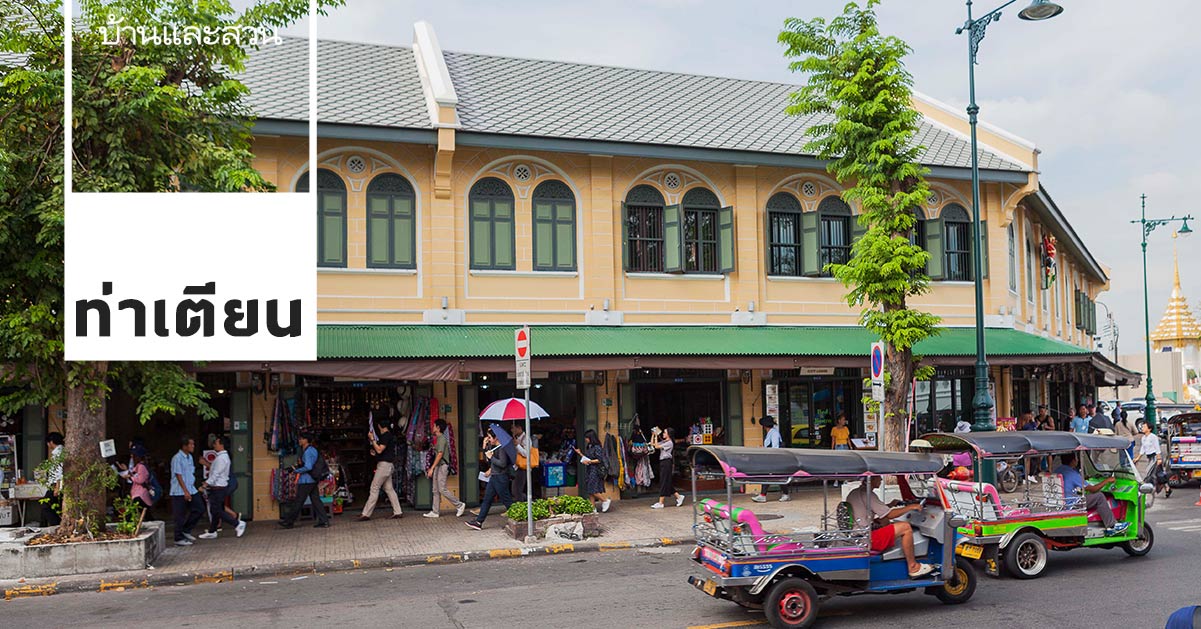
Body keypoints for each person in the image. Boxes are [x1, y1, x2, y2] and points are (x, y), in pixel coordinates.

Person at [846, 476, 935, 578]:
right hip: (867, 539)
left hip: (857, 534)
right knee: (905, 527)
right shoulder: (868, 495)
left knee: (884, 521)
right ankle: (913, 567)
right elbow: (890, 515)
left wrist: (891, 505)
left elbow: (880, 511)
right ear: (872, 479)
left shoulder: (855, 492)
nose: (881, 480)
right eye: (879, 477)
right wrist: (910, 507)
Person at [1054, 452, 1129, 535]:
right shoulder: (1072, 474)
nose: (1077, 460)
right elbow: (1093, 489)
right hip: (1071, 504)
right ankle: (1112, 526)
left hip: (1061, 502)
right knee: (1099, 497)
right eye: (1076, 459)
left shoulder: (1058, 470)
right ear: (1073, 461)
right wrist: (1107, 480)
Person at [465, 426, 514, 530]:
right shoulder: (494, 447)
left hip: (500, 477)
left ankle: (519, 519)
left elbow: (502, 463)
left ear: (496, 438)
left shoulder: (502, 448)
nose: (489, 439)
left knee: (507, 501)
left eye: (490, 437)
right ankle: (478, 522)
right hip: (494, 477)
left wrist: (491, 457)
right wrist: (485, 447)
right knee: (487, 500)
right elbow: (488, 460)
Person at [198, 436, 246, 539]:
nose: (214, 445)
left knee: (217, 510)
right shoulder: (221, 457)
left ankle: (237, 524)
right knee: (215, 510)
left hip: (219, 488)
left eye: (216, 443)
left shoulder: (222, 458)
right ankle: (212, 531)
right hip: (217, 488)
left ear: (222, 445)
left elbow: (216, 474)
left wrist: (205, 484)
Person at [279, 433, 331, 529]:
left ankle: (288, 521)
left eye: (301, 439)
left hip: (307, 480)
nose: (299, 440)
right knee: (316, 500)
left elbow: (308, 467)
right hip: (312, 479)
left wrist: (295, 471)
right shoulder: (311, 450)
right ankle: (324, 521)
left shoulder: (308, 451)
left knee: (298, 501)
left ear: (306, 440)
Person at [358, 419, 402, 521]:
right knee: (389, 489)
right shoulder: (389, 435)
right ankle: (398, 511)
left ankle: (366, 513)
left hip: (384, 466)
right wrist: (376, 453)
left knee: (374, 487)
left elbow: (379, 449)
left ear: (379, 426)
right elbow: (382, 452)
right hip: (388, 465)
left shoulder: (385, 436)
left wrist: (372, 439)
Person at [425, 419, 466, 518]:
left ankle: (459, 505)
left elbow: (440, 454)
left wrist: (432, 468)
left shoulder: (442, 439)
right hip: (438, 466)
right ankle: (435, 511)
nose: (433, 427)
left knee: (442, 489)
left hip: (442, 466)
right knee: (435, 489)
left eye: (434, 426)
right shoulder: (439, 438)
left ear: (438, 428)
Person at [170, 436, 205, 546]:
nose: (193, 446)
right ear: (184, 446)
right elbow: (178, 475)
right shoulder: (177, 458)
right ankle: (178, 538)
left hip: (191, 488)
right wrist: (185, 491)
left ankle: (186, 530)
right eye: (191, 444)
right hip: (179, 491)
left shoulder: (190, 457)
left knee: (199, 508)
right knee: (180, 515)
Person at [753, 416, 790, 502]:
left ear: (764, 426)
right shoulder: (771, 433)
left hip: (775, 458)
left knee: (773, 475)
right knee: (777, 476)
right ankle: (784, 494)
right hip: (773, 458)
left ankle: (764, 495)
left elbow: (775, 447)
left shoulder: (774, 433)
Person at [575, 429, 611, 513]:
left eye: (587, 438)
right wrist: (580, 453)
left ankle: (605, 500)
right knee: (590, 489)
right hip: (590, 469)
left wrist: (590, 462)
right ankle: (592, 508)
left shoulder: (597, 447)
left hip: (595, 470)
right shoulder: (590, 446)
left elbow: (599, 459)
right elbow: (588, 458)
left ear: (591, 438)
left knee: (592, 489)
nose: (586, 439)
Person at [650, 426, 686, 509]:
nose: (663, 434)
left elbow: (657, 447)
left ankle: (661, 502)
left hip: (667, 462)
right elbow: (653, 444)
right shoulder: (665, 441)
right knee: (666, 481)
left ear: (669, 434)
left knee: (664, 481)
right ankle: (679, 497)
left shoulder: (669, 443)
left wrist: (656, 436)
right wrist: (653, 435)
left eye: (664, 432)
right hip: (663, 462)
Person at [1133, 421, 1170, 499]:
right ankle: (1167, 488)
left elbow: (1157, 448)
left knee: (1148, 472)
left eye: (1144, 427)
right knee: (1158, 474)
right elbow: (1143, 449)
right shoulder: (1143, 438)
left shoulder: (1153, 437)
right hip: (1149, 457)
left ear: (1149, 429)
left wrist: (1159, 458)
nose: (1142, 428)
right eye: (1142, 427)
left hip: (1155, 457)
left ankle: (1146, 490)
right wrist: (1138, 458)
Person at [43, 432, 65, 527]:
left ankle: (56, 524)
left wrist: (57, 486)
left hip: (56, 484)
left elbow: (59, 471)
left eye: (48, 443)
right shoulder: (62, 451)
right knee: (56, 505)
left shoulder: (58, 453)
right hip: (58, 484)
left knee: (46, 505)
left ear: (51, 442)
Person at [512, 423, 530, 502]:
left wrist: (517, 445)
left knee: (517, 490)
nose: (512, 430)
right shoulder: (517, 438)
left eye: (513, 428)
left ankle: (522, 504)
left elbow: (526, 454)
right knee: (515, 490)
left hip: (522, 467)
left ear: (519, 428)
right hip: (516, 466)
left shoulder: (526, 438)